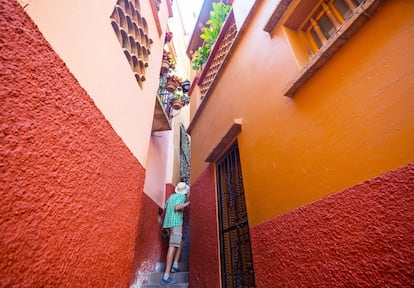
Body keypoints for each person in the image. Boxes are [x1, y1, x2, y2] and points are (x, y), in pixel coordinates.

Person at [161, 182, 190, 285]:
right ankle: (166, 276)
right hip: (176, 223)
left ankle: (175, 265)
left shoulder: (171, 196)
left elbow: (166, 207)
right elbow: (176, 208)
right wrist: (187, 203)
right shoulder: (182, 196)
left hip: (168, 223)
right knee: (172, 246)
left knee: (180, 243)